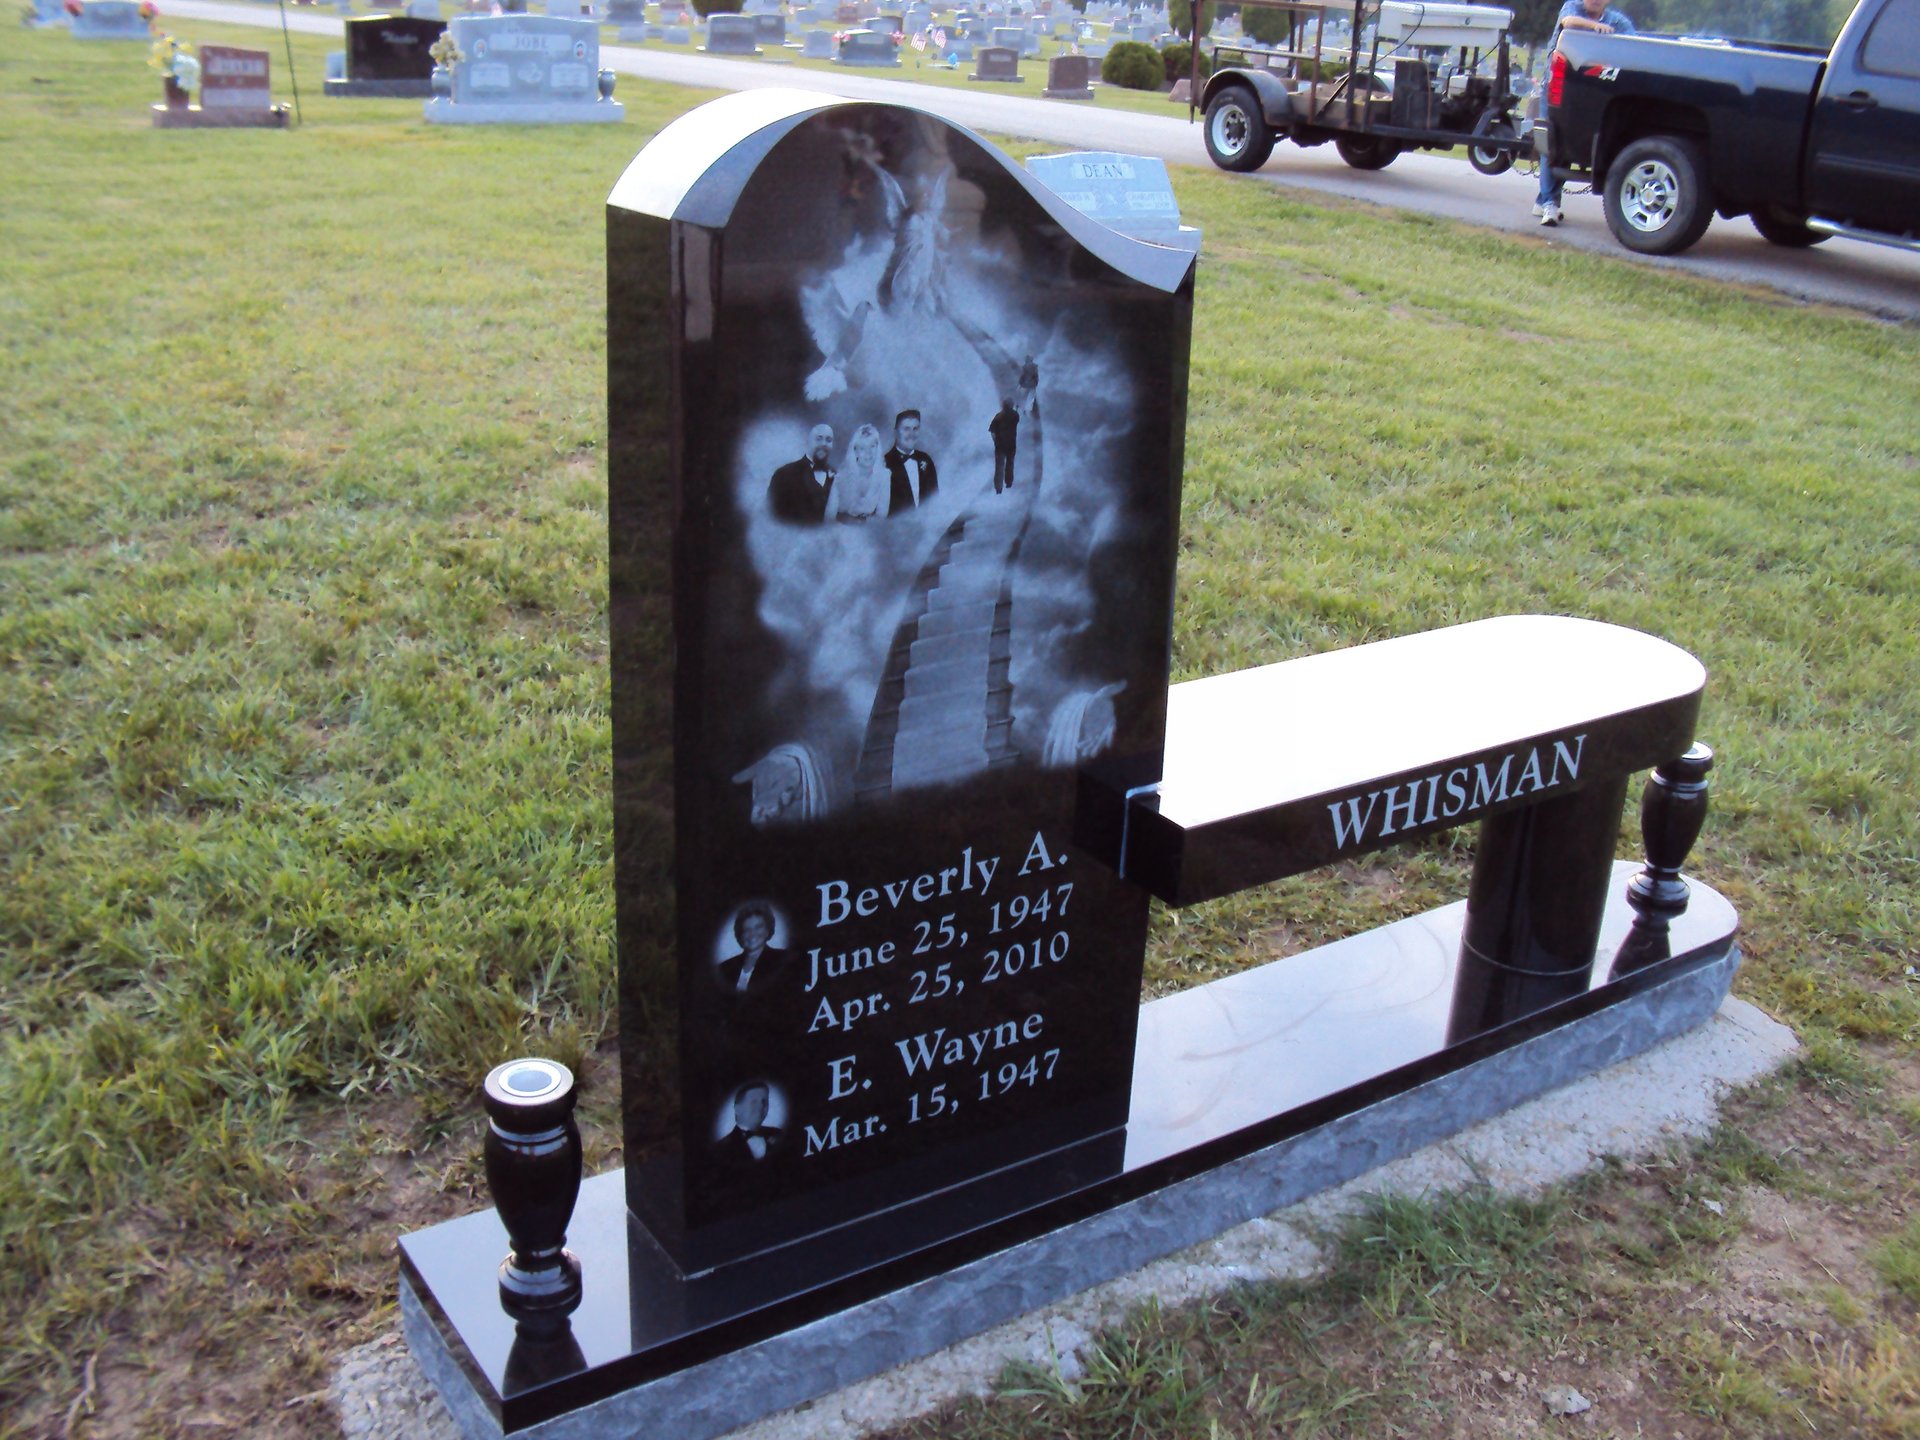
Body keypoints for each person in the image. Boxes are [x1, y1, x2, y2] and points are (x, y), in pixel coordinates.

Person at [1534, 0, 1635, 227]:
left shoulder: (1616, 21)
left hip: (1588, 93)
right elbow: (1567, 22)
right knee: (1552, 145)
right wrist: (1594, 28)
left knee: (1569, 146)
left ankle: (1543, 199)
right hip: (1555, 87)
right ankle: (1550, 203)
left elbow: (1633, 41)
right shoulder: (1572, 8)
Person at [766, 424, 836, 524]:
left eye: (828, 440)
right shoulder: (784, 474)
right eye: (818, 439)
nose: (824, 444)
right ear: (808, 442)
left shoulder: (838, 477)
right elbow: (771, 516)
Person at [716, 901, 789, 995]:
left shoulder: (782, 960)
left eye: (758, 927)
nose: (752, 934)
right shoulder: (724, 968)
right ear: (740, 934)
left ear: (768, 930)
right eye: (747, 929)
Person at [883, 410, 939, 514]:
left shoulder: (926, 459)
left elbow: (935, 499)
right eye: (906, 429)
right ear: (895, 432)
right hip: (895, 528)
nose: (911, 434)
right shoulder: (884, 463)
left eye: (915, 429)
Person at [829, 423, 887, 522]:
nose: (868, 453)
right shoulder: (840, 477)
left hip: (869, 533)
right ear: (855, 451)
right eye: (862, 448)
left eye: (872, 446)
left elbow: (882, 516)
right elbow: (829, 516)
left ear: (878, 448)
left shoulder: (884, 475)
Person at [718, 1081, 781, 1164]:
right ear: (737, 1109)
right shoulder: (721, 1148)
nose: (761, 1106)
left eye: (764, 1101)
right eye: (754, 1102)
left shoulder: (779, 1134)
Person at [989, 399, 1019, 494]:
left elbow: (992, 431)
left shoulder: (998, 417)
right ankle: (1009, 482)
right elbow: (1017, 419)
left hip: (1000, 445)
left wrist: (995, 441)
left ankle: (998, 487)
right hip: (1011, 444)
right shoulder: (1015, 415)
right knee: (1010, 464)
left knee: (999, 467)